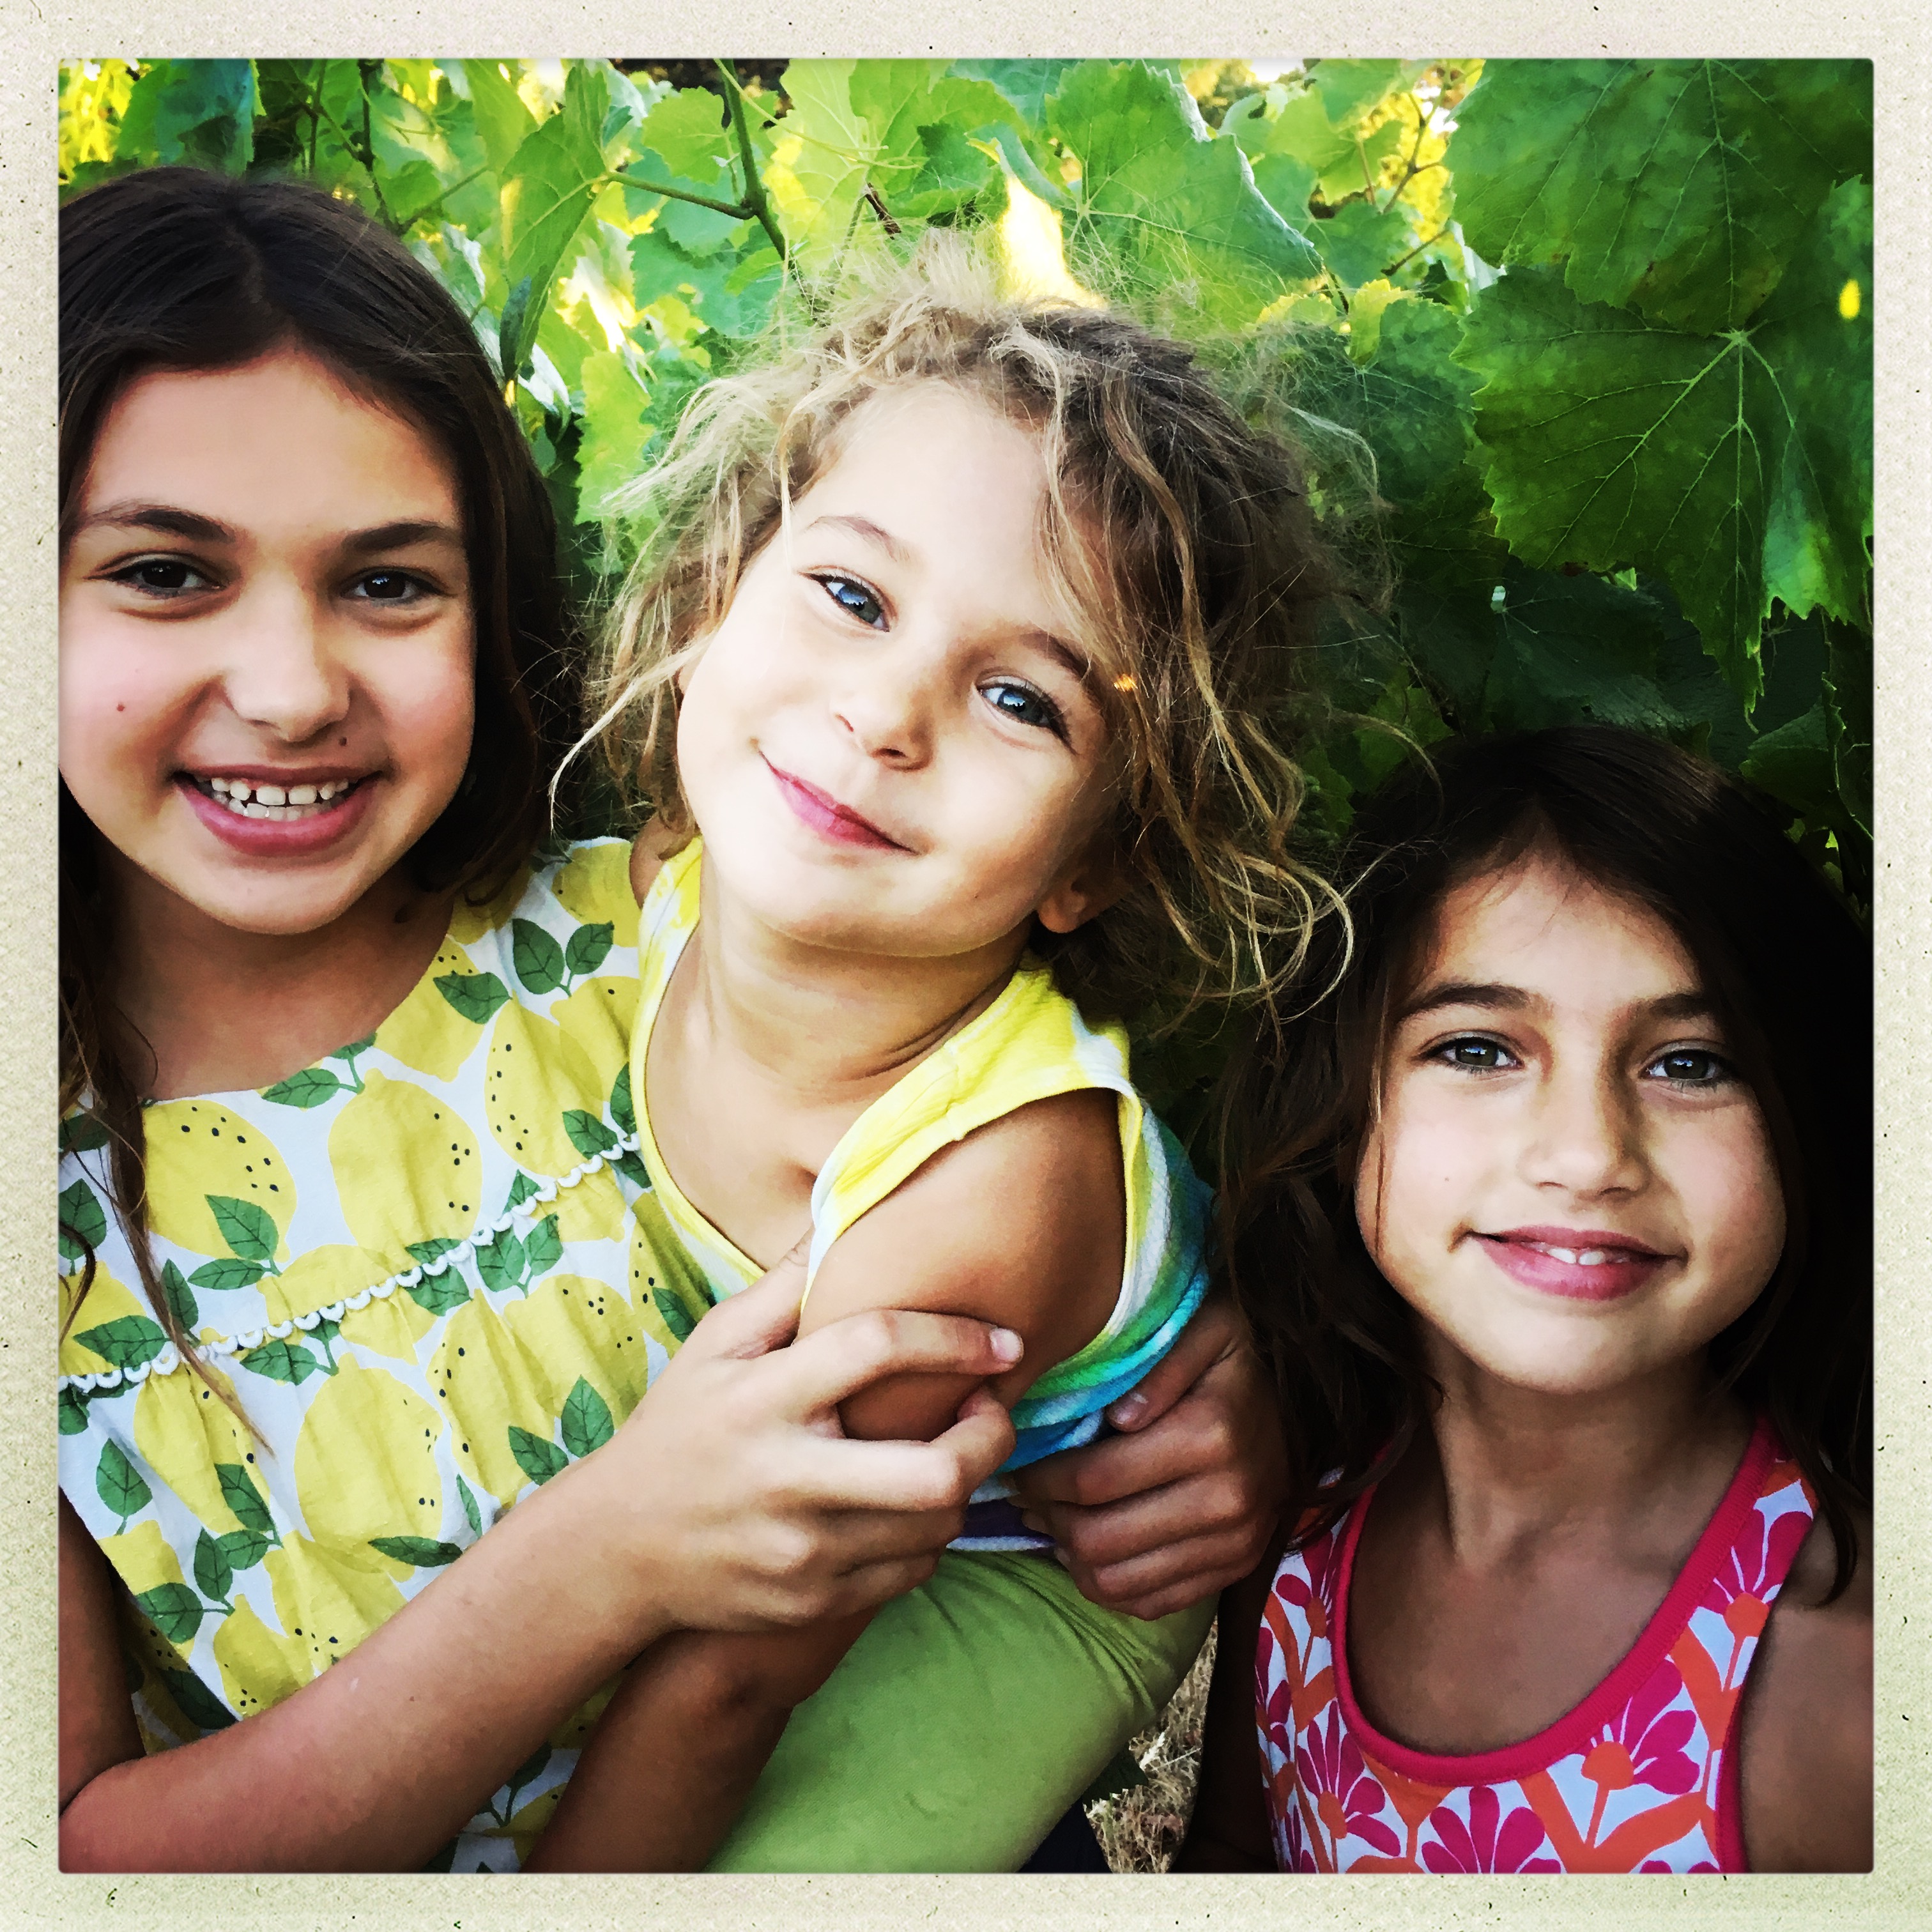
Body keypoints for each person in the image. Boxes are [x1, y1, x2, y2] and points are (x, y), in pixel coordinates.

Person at [55, 167, 1288, 1873]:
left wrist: (1228, 1379)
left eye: (391, 582)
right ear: (721, 603)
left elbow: (755, 1662)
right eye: (166, 569)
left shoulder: (617, 927)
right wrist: (605, 1552)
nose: (286, 686)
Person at [526, 237, 1348, 1871]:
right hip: (832, 1490)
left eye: (1024, 701)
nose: (890, 710)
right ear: (716, 599)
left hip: (1038, 1568)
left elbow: (731, 1679)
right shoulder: (657, 886)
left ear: (1094, 866)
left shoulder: (981, 1198)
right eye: (849, 594)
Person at [1179, 727, 1873, 1875]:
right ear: (1343, 1099)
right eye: (1480, 1049)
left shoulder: (1847, 1692)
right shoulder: (1300, 1529)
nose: (1589, 1155)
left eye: (1691, 1063)